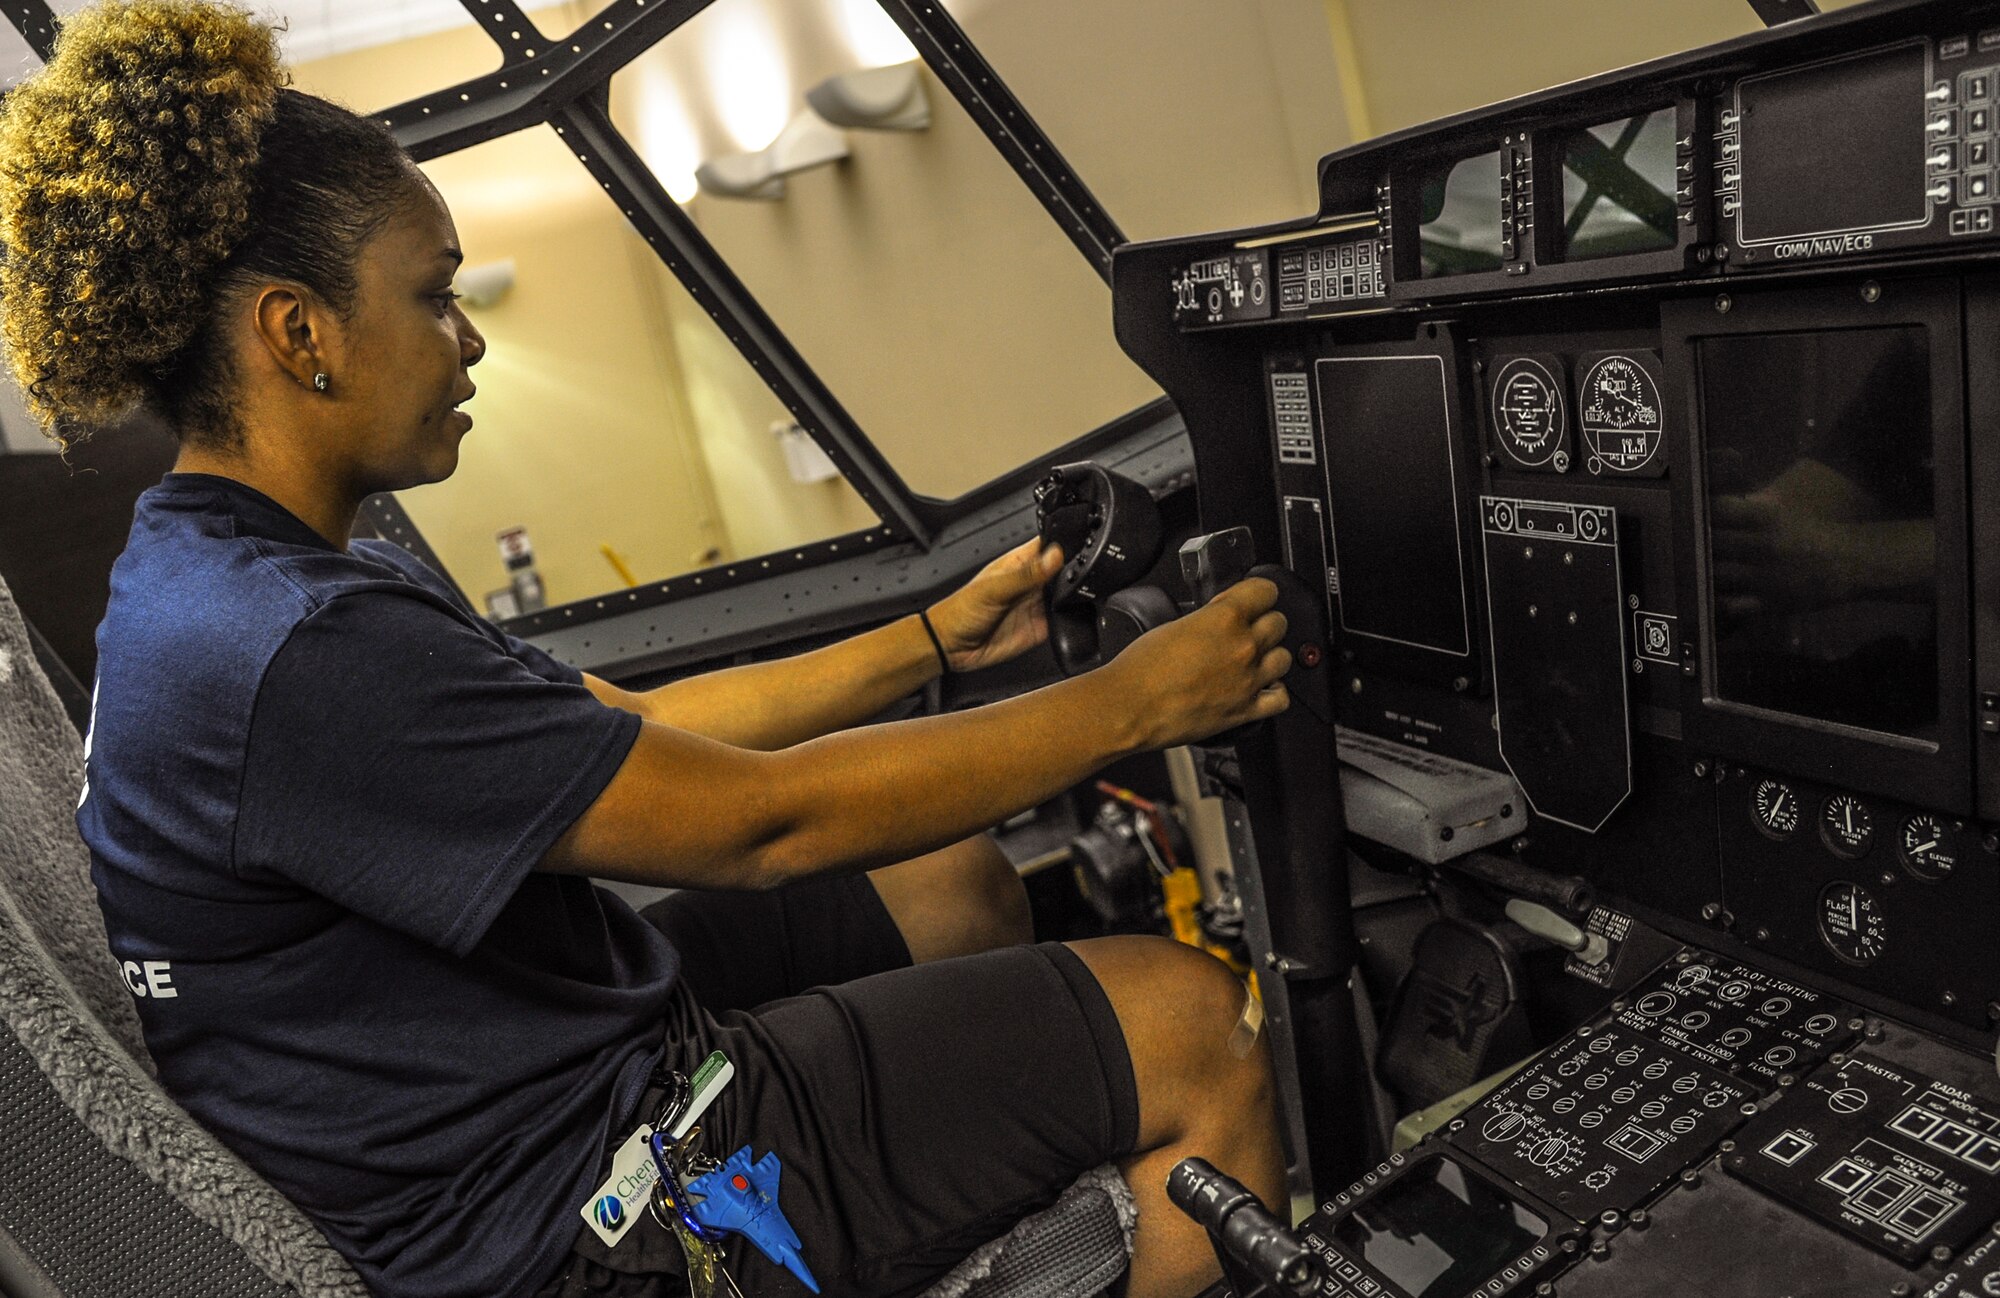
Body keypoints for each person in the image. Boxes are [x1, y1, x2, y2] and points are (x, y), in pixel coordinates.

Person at [0, 4, 1290, 1297]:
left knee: (951, 880)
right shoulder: (296, 644)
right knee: (1199, 1029)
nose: (471, 337)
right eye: (435, 295)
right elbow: (762, 826)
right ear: (299, 334)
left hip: (521, 1093)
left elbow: (625, 720)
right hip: (569, 1214)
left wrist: (929, 636)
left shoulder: (213, 572)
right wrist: (1134, 700)